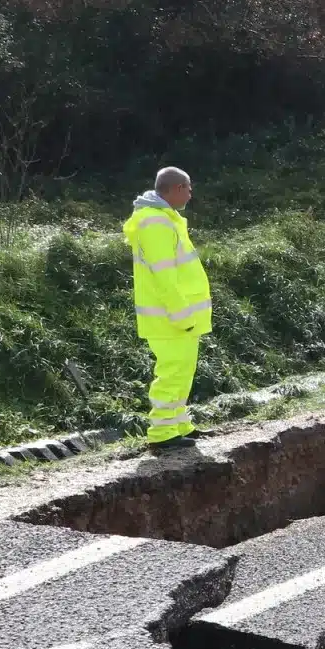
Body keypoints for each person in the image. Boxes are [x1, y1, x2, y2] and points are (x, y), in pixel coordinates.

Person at [123, 167, 211, 453]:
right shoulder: (156, 223)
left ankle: (179, 425)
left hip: (178, 317)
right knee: (172, 373)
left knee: (183, 372)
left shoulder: (164, 219)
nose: (190, 193)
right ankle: (161, 432)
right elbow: (164, 276)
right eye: (187, 188)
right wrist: (181, 314)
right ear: (174, 189)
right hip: (170, 318)